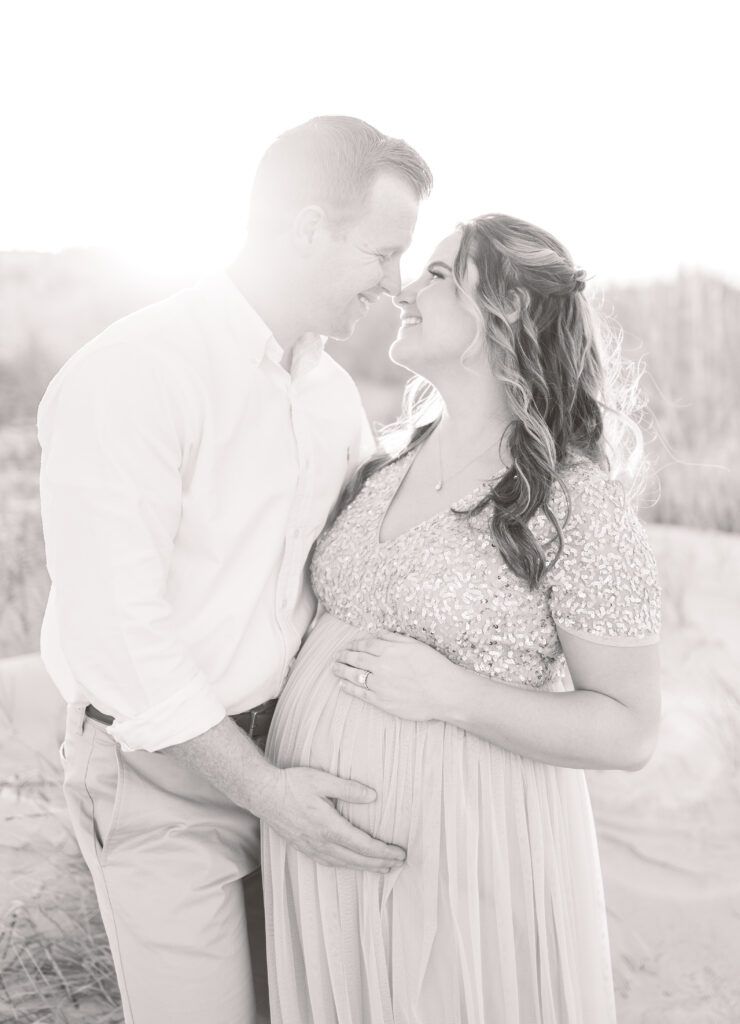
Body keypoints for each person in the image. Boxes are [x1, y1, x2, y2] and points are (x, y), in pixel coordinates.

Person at [37, 116, 432, 1024]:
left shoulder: (330, 396)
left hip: (290, 759)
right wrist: (266, 795)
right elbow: (123, 643)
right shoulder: (135, 374)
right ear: (305, 230)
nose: (394, 285)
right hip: (159, 778)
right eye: (382, 253)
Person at [262, 213, 662, 1023]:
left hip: (466, 849)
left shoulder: (574, 498)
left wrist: (455, 696)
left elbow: (630, 729)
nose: (405, 287)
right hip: (318, 849)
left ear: (505, 309)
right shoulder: (387, 462)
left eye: (439, 274)